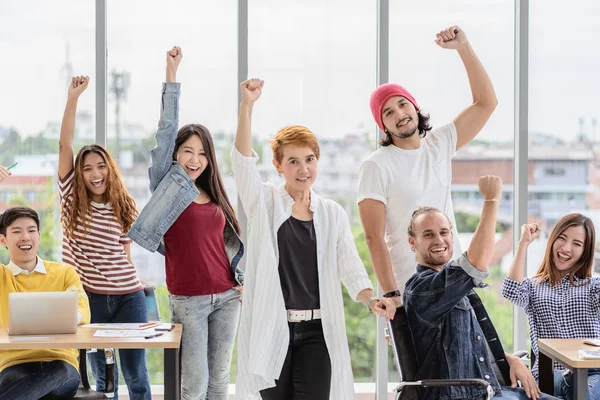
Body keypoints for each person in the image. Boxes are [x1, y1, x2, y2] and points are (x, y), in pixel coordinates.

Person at [231, 78, 396, 400]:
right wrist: (247, 106)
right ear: (278, 166)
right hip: (272, 326)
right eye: (293, 161)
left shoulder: (332, 213)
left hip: (318, 332)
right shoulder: (264, 203)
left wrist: (370, 299)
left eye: (309, 159)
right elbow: (242, 164)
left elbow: (349, 267)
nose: (303, 168)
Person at [127, 46, 244, 400]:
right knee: (193, 383)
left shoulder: (216, 195)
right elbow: (166, 129)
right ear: (176, 154)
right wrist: (171, 74)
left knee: (220, 378)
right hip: (188, 299)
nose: (195, 159)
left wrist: (241, 283)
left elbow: (229, 247)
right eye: (187, 151)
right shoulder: (169, 185)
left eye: (202, 153)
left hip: (226, 295)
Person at [358, 25, 498, 307]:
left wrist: (464, 48)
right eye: (388, 112)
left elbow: (486, 103)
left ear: (414, 106)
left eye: (402, 104)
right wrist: (391, 294)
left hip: (456, 279)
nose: (399, 114)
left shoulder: (439, 143)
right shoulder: (376, 166)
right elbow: (374, 238)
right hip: (412, 290)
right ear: (382, 125)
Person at [403, 175, 558, 400]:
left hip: (489, 389)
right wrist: (491, 200)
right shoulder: (423, 289)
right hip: (465, 395)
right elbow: (475, 265)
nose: (439, 240)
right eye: (428, 234)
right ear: (412, 242)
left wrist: (509, 359)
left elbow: (466, 347)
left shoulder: (450, 288)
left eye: (444, 232)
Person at [58, 76, 151, 399]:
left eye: (101, 166)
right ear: (79, 174)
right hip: (90, 299)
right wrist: (73, 99)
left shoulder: (122, 204)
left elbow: (125, 257)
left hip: (129, 297)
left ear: (109, 169)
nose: (95, 174)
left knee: (136, 375)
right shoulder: (70, 200)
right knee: (103, 381)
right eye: (87, 168)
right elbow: (64, 145)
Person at [502, 215, 600, 399]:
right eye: (562, 238)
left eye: (577, 244)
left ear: (585, 252)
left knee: (588, 389)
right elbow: (510, 290)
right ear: (552, 239)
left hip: (592, 373)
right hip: (549, 376)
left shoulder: (593, 287)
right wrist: (524, 242)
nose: (566, 248)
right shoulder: (533, 287)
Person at [0, 205, 91, 400]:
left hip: (61, 363)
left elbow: (83, 308)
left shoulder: (65, 272)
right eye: (16, 231)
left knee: (60, 373)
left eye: (31, 230)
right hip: (13, 365)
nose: (25, 236)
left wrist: (63, 318)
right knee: (31, 387)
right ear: (3, 240)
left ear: (39, 237)